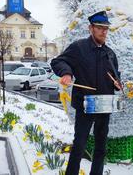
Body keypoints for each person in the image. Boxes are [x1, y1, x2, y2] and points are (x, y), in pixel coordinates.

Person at [51, 11, 120, 175]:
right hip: (85, 104)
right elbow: (58, 61)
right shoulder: (79, 47)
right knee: (79, 145)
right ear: (91, 28)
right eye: (100, 28)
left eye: (106, 28)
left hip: (104, 105)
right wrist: (67, 73)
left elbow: (116, 76)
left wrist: (117, 84)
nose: (104, 31)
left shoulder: (110, 53)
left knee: (101, 146)